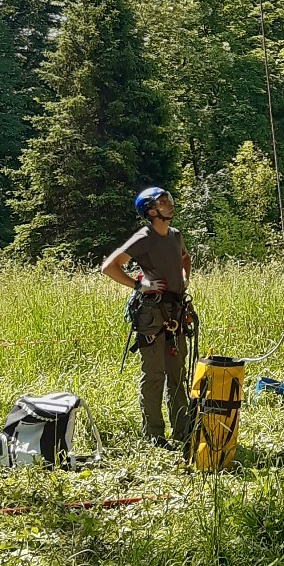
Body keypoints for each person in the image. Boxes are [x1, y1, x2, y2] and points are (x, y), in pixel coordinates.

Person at [102, 187, 193, 448]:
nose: (170, 205)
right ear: (151, 211)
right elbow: (109, 267)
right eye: (163, 203)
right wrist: (139, 286)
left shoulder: (176, 236)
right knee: (154, 374)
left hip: (176, 312)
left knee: (177, 373)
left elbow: (185, 258)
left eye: (169, 201)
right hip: (152, 315)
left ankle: (182, 431)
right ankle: (155, 436)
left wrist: (185, 279)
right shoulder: (144, 237)